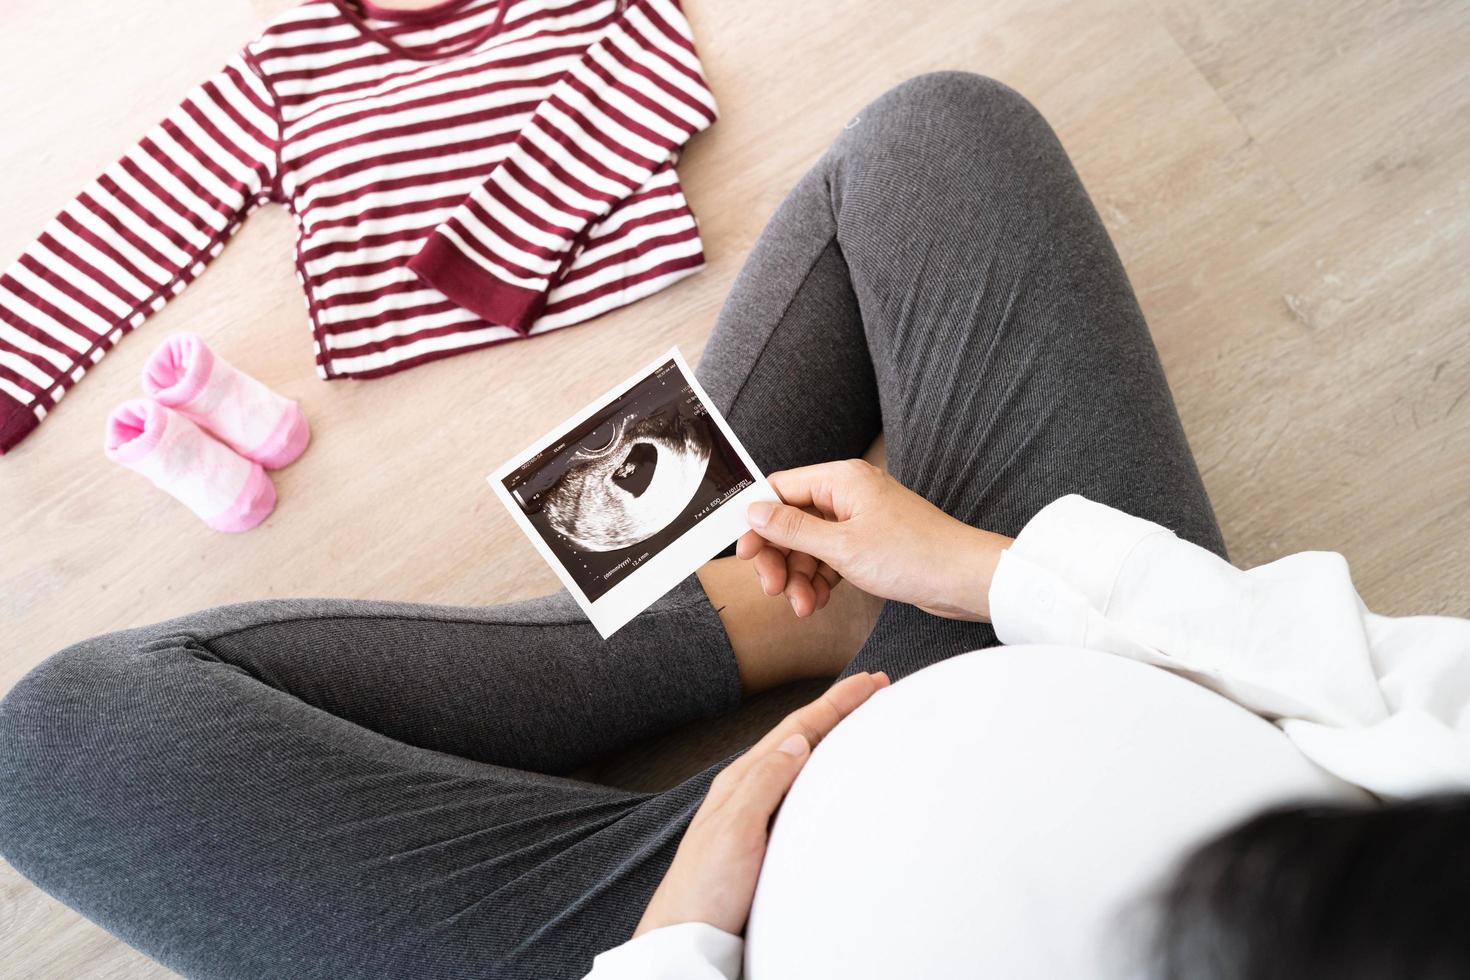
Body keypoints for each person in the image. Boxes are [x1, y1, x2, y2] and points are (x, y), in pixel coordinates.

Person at [1, 72, 1466, 980]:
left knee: (61, 745)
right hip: (1086, 653)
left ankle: (728, 619)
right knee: (934, 138)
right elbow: (1390, 683)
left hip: (727, 925)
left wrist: (688, 941)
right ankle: (766, 601)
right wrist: (992, 569)